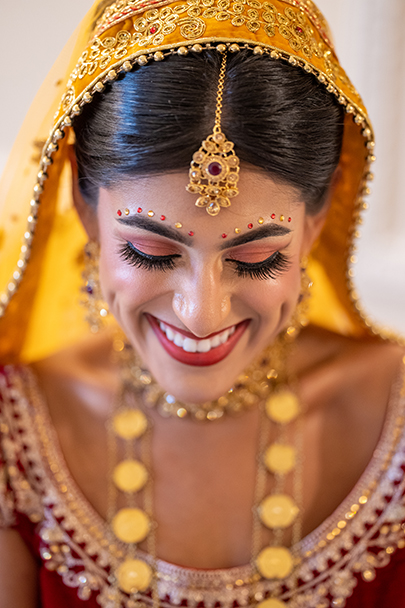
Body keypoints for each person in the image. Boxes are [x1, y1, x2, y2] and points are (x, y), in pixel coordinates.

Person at [0, 0, 404, 606]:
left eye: (255, 259)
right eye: (149, 252)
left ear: (315, 226)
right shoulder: (14, 434)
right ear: (84, 211)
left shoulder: (395, 418)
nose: (201, 314)